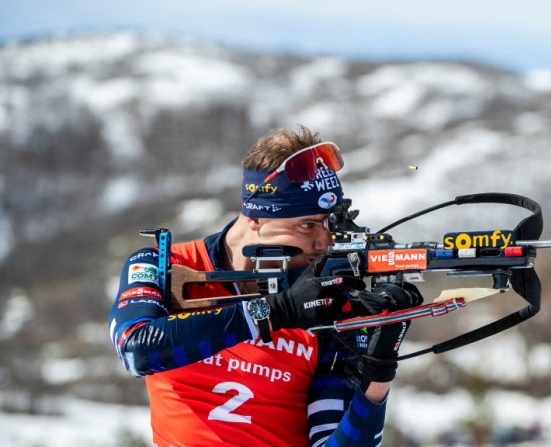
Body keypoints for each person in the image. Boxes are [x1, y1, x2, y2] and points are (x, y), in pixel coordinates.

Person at [108, 126, 422, 446]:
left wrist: (377, 378)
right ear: (255, 217)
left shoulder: (327, 303)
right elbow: (137, 350)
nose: (322, 242)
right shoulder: (164, 264)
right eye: (306, 225)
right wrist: (274, 312)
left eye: (330, 224)